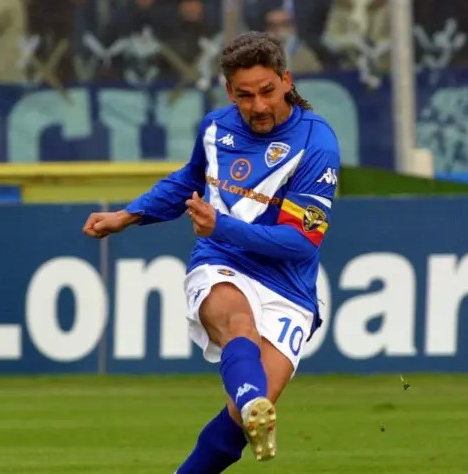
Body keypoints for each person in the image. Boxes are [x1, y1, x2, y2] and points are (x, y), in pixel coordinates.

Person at [81, 31, 341, 473]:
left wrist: (221, 223)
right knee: (239, 326)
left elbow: (300, 242)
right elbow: (189, 181)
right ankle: (252, 398)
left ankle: (247, 406)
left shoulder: (316, 144)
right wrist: (128, 215)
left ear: (286, 81)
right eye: (245, 95)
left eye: (267, 91)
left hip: (289, 285)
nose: (258, 106)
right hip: (222, 262)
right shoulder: (216, 129)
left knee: (237, 424)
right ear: (228, 91)